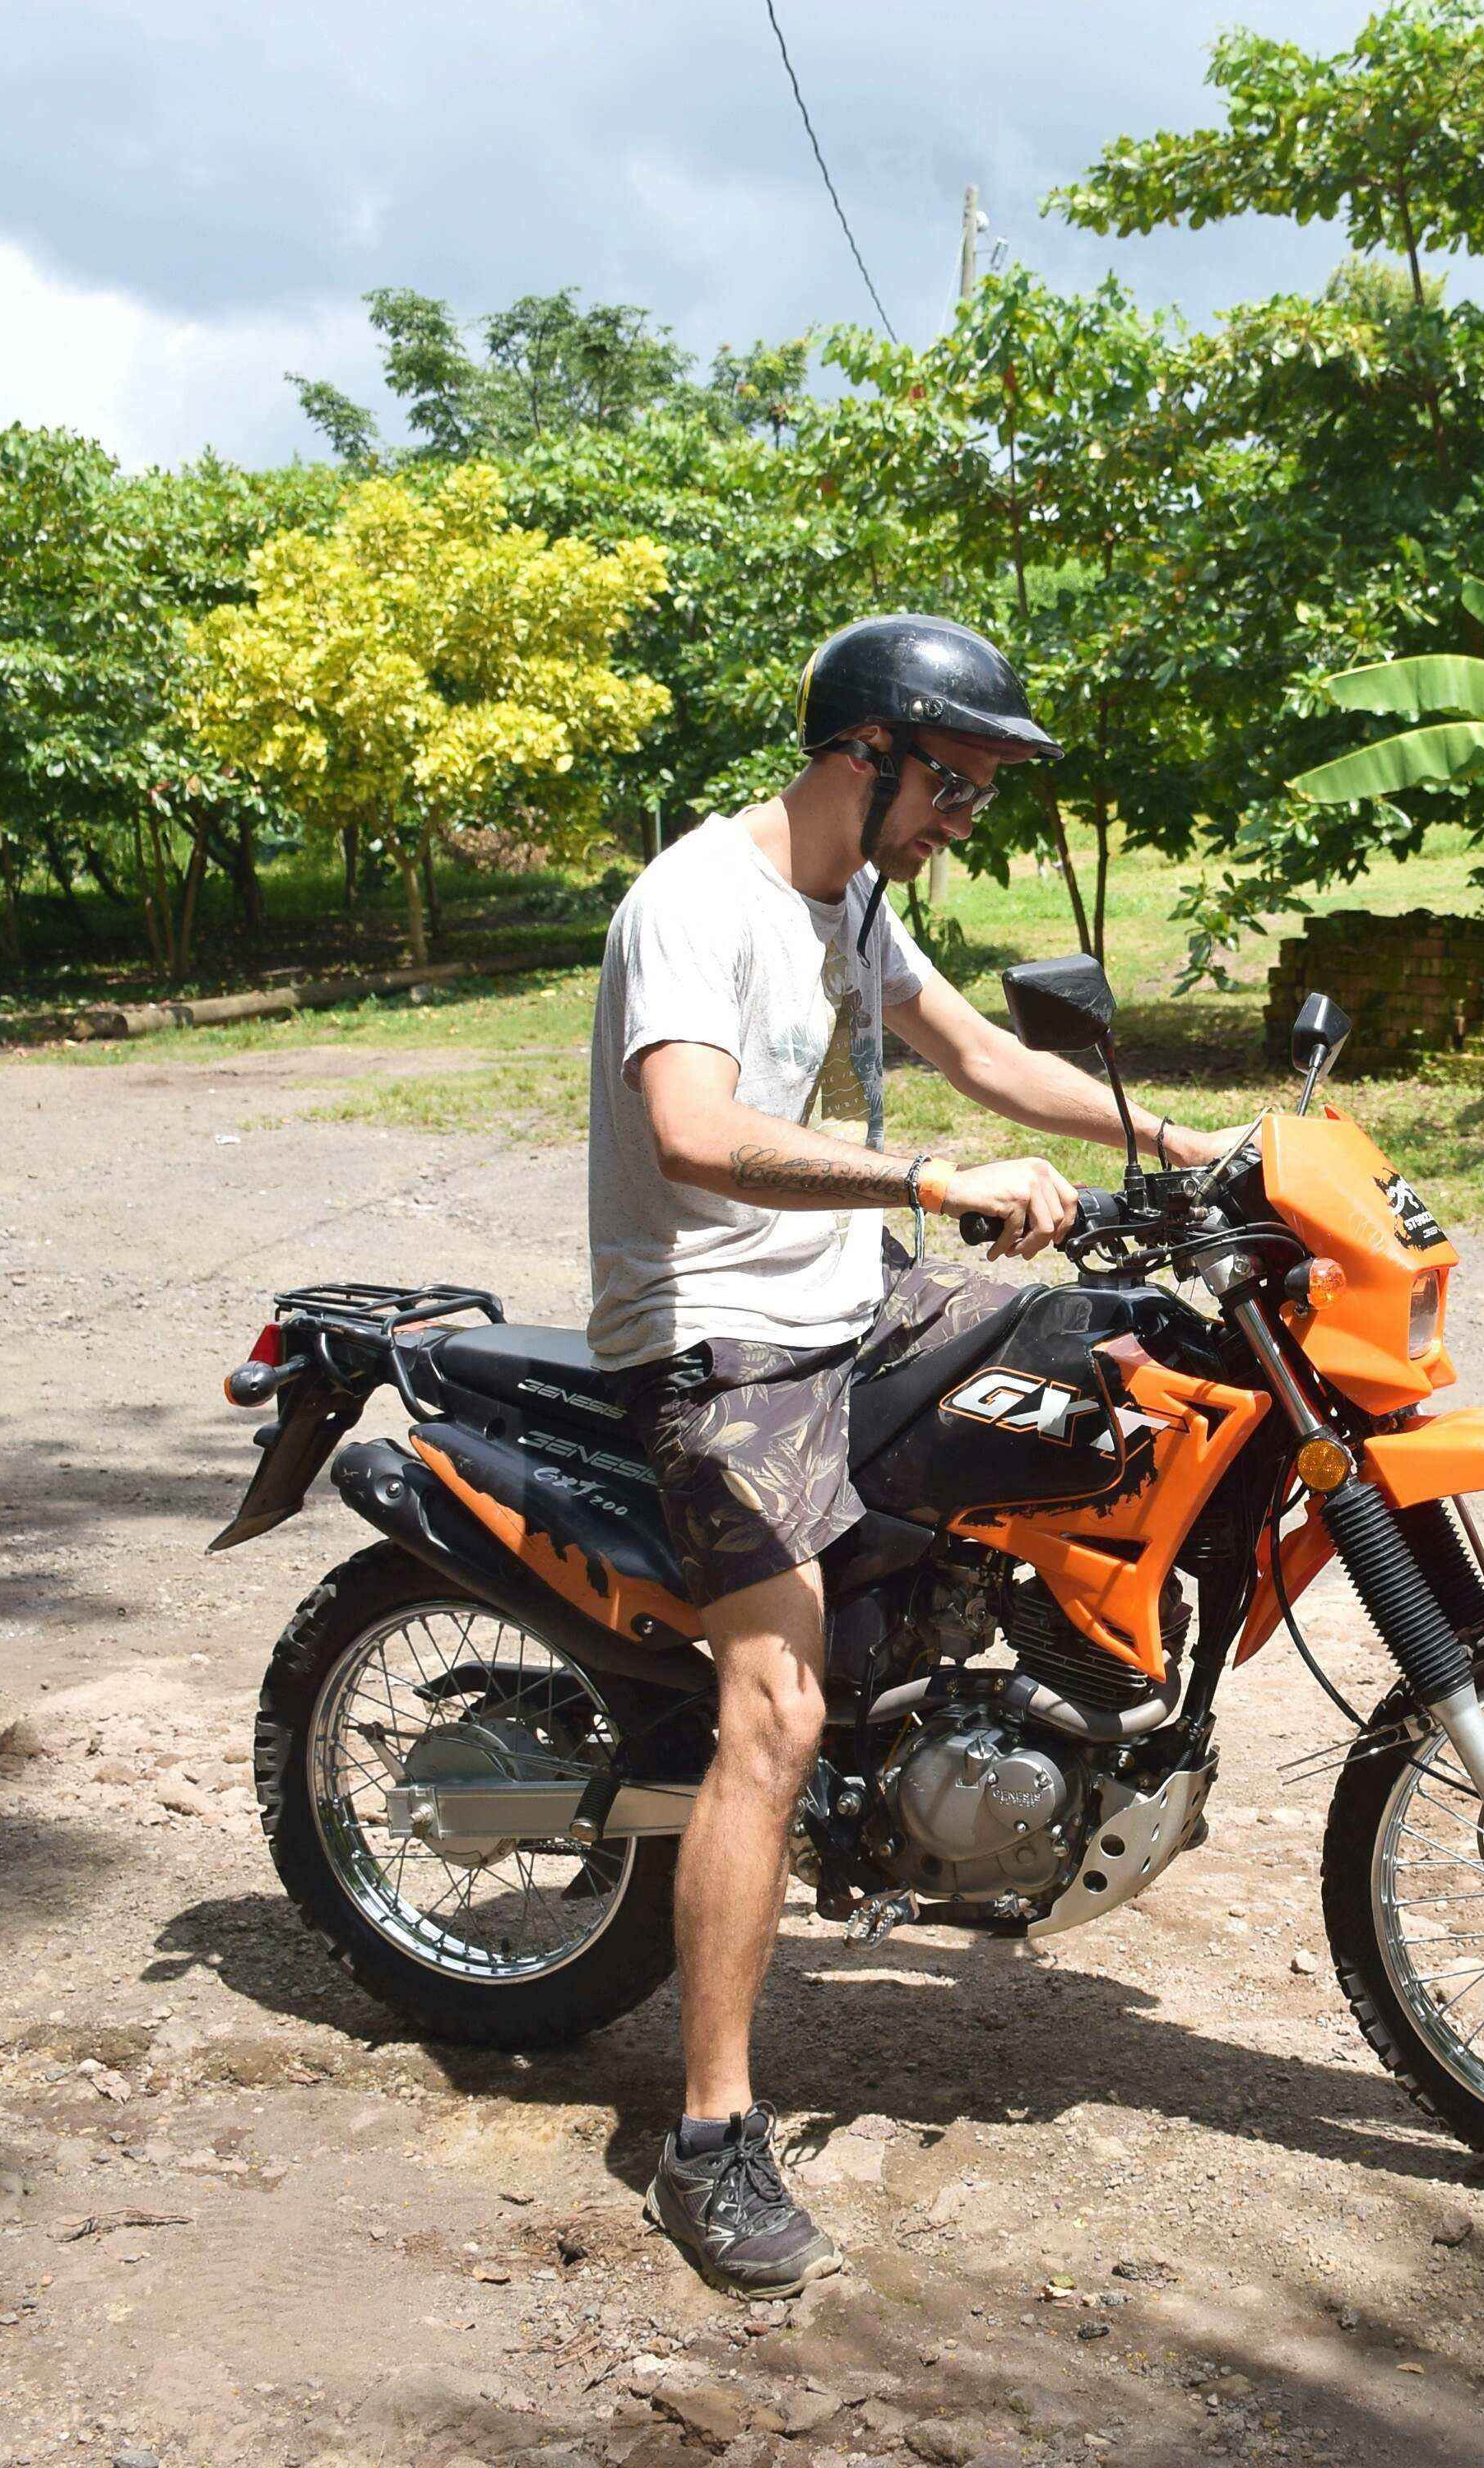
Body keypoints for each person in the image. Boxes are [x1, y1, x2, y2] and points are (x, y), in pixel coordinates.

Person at [584, 614, 1231, 2295]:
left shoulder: (851, 901)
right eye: (956, 780)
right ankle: (711, 2134)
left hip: (848, 1302)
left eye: (985, 790)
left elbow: (987, 1057)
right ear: (861, 755)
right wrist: (933, 1185)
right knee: (771, 1717)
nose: (971, 818)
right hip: (715, 1342)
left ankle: (980, 1703)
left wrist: (1194, 1143)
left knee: (1117, 1369)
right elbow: (692, 1129)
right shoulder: (696, 902)